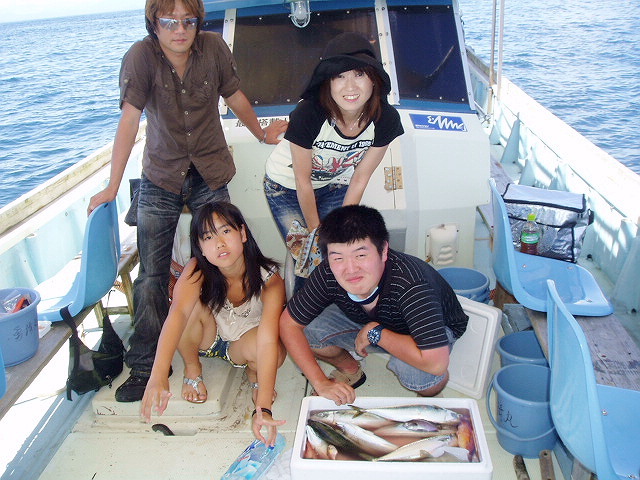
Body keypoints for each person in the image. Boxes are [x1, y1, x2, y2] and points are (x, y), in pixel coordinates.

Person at [87, 0, 287, 402]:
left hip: (210, 170)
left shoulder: (213, 48)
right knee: (151, 276)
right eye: (169, 21)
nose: (179, 29)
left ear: (198, 22)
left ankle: (231, 333)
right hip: (161, 175)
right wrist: (112, 186)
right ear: (153, 23)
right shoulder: (140, 57)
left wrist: (261, 133)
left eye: (188, 21)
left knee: (226, 255)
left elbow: (234, 96)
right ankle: (145, 366)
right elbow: (129, 119)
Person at [279, 205, 469, 405]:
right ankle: (351, 370)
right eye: (338, 258)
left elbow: (436, 363)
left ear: (384, 250)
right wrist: (320, 382)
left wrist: (376, 333)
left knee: (419, 376)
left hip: (427, 331)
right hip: (370, 321)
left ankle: (428, 378)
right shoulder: (328, 272)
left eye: (360, 255)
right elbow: (288, 324)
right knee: (306, 328)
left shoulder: (412, 285)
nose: (350, 269)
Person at [141, 202, 286, 446]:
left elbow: (268, 340)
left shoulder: (269, 278)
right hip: (208, 336)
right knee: (186, 309)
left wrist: (263, 408)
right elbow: (177, 315)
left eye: (225, 231)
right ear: (200, 247)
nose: (219, 243)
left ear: (242, 233)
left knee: (274, 351)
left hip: (242, 344)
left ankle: (255, 375)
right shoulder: (196, 269)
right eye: (208, 237)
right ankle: (192, 368)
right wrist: (158, 375)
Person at [263, 32, 404, 280]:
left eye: (359, 74)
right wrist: (318, 235)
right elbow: (302, 181)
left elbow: (360, 178)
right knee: (309, 257)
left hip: (334, 183)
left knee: (340, 250)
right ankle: (303, 303)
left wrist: (339, 228)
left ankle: (340, 298)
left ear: (374, 80)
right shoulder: (309, 114)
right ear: (328, 82)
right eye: (340, 76)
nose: (350, 87)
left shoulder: (386, 119)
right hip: (285, 186)